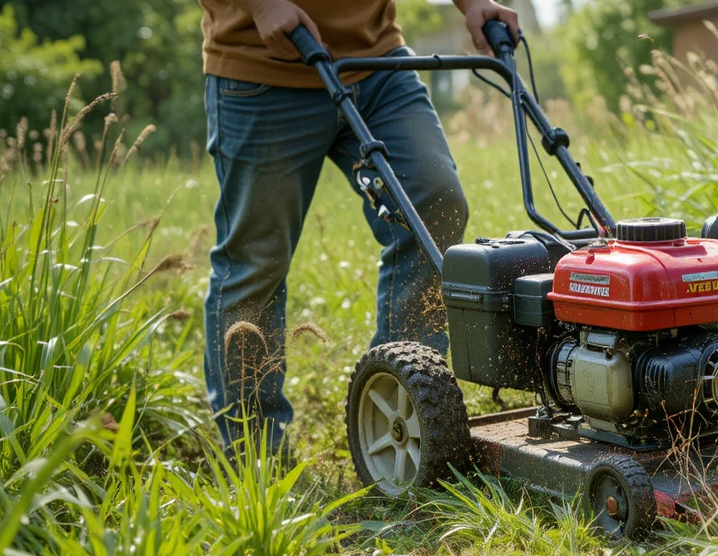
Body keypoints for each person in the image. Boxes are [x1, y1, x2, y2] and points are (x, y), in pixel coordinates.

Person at [197, 0, 518, 452]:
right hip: (261, 69)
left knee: (433, 204)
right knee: (254, 260)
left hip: (377, 61)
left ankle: (396, 416)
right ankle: (253, 456)